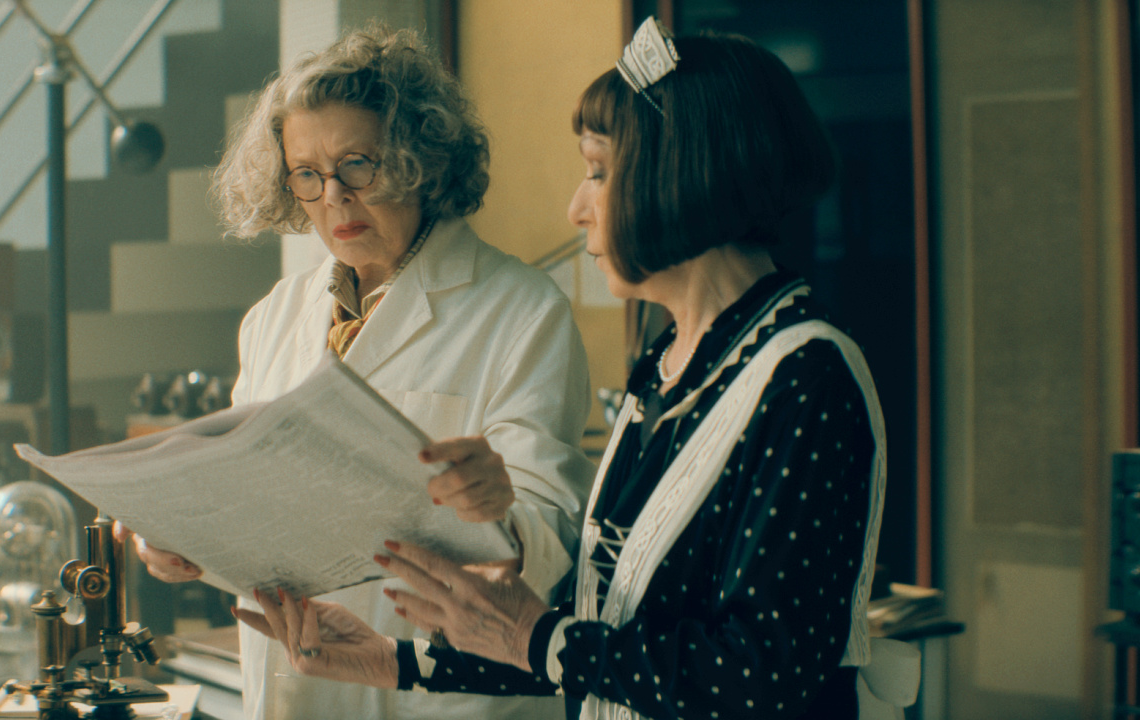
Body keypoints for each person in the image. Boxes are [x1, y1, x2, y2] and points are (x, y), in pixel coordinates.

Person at [238, 18, 922, 720]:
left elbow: (758, 672)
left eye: (598, 172)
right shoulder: (665, 365)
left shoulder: (808, 376)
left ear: (681, 172)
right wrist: (395, 660)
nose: (576, 207)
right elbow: (598, 621)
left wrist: (539, 639)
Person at [117, 25, 595, 720]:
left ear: (418, 159)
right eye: (306, 175)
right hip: (293, 683)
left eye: (358, 165)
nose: (332, 196)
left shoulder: (523, 311)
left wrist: (501, 512)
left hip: (440, 695)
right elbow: (245, 499)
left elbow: (552, 537)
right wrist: (181, 540)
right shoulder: (273, 317)